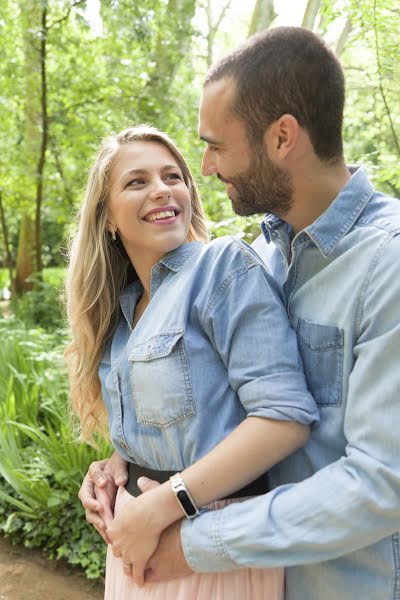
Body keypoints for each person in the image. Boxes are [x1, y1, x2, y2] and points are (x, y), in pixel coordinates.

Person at [80, 27, 400, 600]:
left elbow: (384, 485)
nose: (203, 168)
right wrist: (120, 466)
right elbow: (212, 412)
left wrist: (184, 531)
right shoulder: (267, 261)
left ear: (282, 138)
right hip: (267, 579)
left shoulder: (388, 262)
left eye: (217, 146)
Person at [66, 124, 319, 599]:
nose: (162, 189)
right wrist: (111, 467)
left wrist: (166, 502)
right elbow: (181, 421)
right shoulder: (121, 313)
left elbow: (284, 418)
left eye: (172, 176)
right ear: (107, 219)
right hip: (135, 543)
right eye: (137, 182)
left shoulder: (223, 267)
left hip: (211, 544)